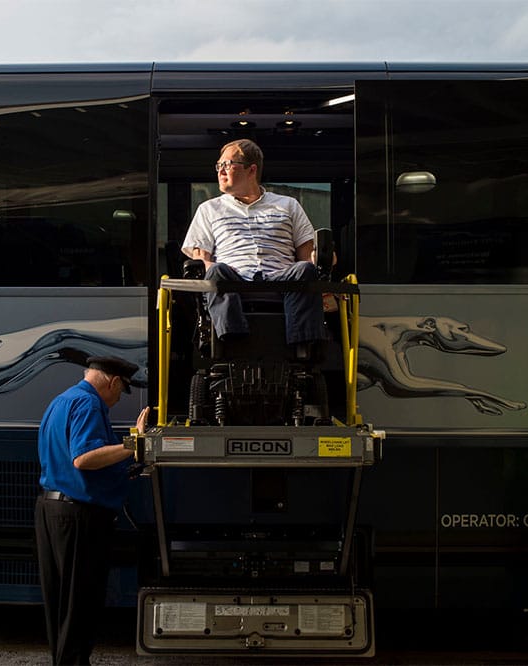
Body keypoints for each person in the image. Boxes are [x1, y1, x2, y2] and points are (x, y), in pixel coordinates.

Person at [34, 356, 149, 665]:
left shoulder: (61, 401)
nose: (116, 400)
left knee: (62, 605)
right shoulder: (89, 404)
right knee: (81, 602)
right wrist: (134, 442)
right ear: (112, 381)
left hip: (50, 508)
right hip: (79, 515)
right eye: (121, 391)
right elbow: (83, 458)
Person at [181, 138, 325, 345]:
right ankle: (233, 341)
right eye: (218, 166)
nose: (220, 171)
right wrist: (214, 267)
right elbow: (201, 259)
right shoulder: (209, 209)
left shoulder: (288, 205)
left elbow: (308, 256)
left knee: (305, 270)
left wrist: (323, 256)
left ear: (251, 170)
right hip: (233, 280)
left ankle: (303, 345)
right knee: (214, 271)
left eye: (227, 165)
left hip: (281, 280)